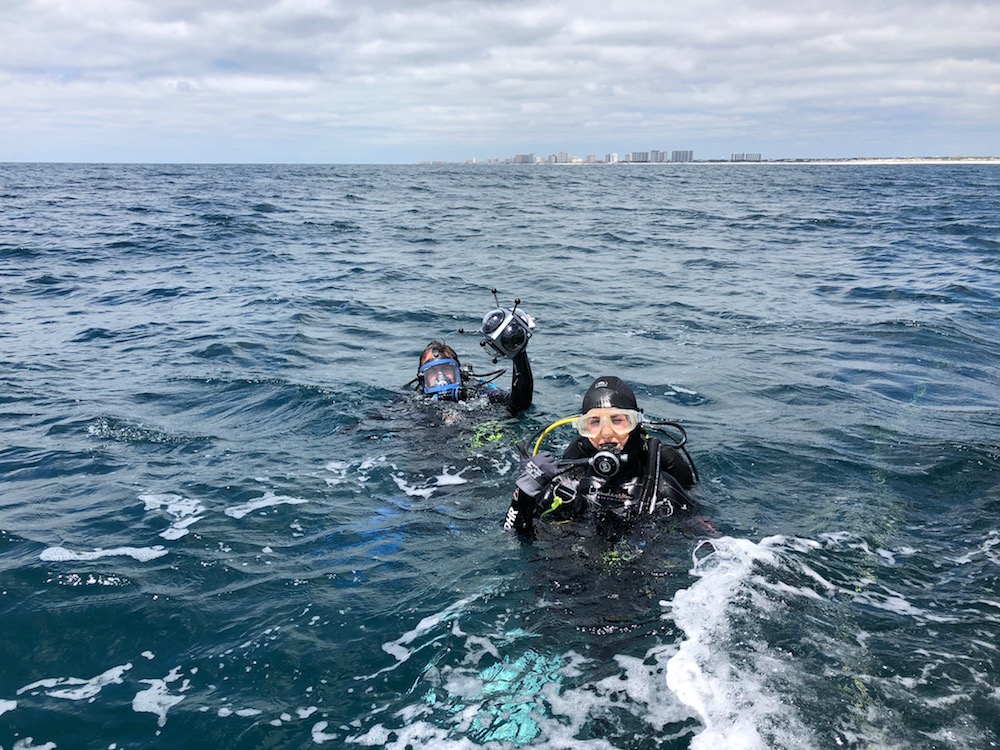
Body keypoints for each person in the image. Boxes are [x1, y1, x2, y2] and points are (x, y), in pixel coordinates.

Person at [503, 376, 698, 538]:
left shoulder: (661, 490)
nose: (606, 433)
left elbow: (707, 540)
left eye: (618, 421)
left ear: (636, 423)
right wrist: (524, 493)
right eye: (594, 422)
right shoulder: (567, 483)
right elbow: (512, 535)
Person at [412, 308, 535, 416]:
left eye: (446, 369)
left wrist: (519, 352)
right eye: (432, 372)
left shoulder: (476, 394)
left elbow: (519, 403)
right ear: (422, 379)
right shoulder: (413, 403)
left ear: (458, 373)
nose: (441, 377)